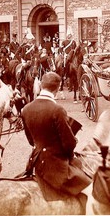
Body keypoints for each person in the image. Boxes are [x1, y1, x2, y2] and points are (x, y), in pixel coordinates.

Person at [21, 72, 92, 211]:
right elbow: (69, 145)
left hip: (36, 163)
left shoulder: (26, 109)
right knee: (92, 190)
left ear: (41, 85)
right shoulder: (57, 110)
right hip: (55, 166)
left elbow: (31, 141)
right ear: (58, 89)